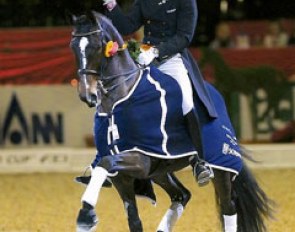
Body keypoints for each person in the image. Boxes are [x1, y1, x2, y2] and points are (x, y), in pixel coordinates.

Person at [98, 0, 216, 186]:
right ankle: (106, 156)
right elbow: (127, 25)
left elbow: (184, 36)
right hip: (144, 56)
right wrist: (112, 6)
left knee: (186, 101)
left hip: (171, 59)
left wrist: (157, 51)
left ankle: (199, 162)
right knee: (122, 94)